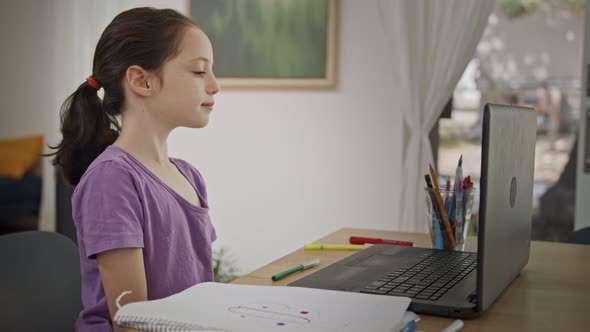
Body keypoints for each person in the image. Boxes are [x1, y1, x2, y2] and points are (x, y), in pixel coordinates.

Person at [45, 7, 220, 332]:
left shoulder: (189, 176)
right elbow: (132, 323)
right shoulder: (111, 180)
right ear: (142, 80)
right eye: (199, 72)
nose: (214, 85)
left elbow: (199, 295)